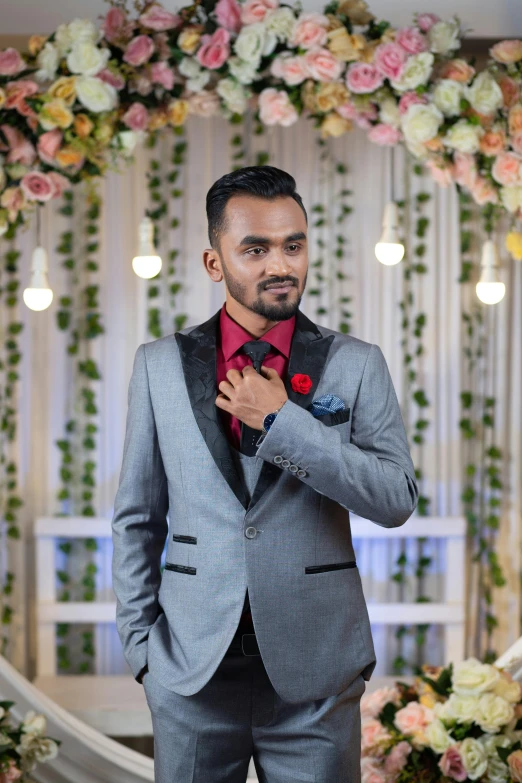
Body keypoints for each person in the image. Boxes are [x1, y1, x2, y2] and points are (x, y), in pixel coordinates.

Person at [112, 165, 418, 782]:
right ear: (213, 261)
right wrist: (144, 651)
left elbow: (394, 498)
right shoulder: (158, 367)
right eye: (255, 248)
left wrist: (286, 424)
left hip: (317, 674)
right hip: (191, 669)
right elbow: (137, 518)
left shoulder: (357, 365)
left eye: (293, 244)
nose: (281, 264)